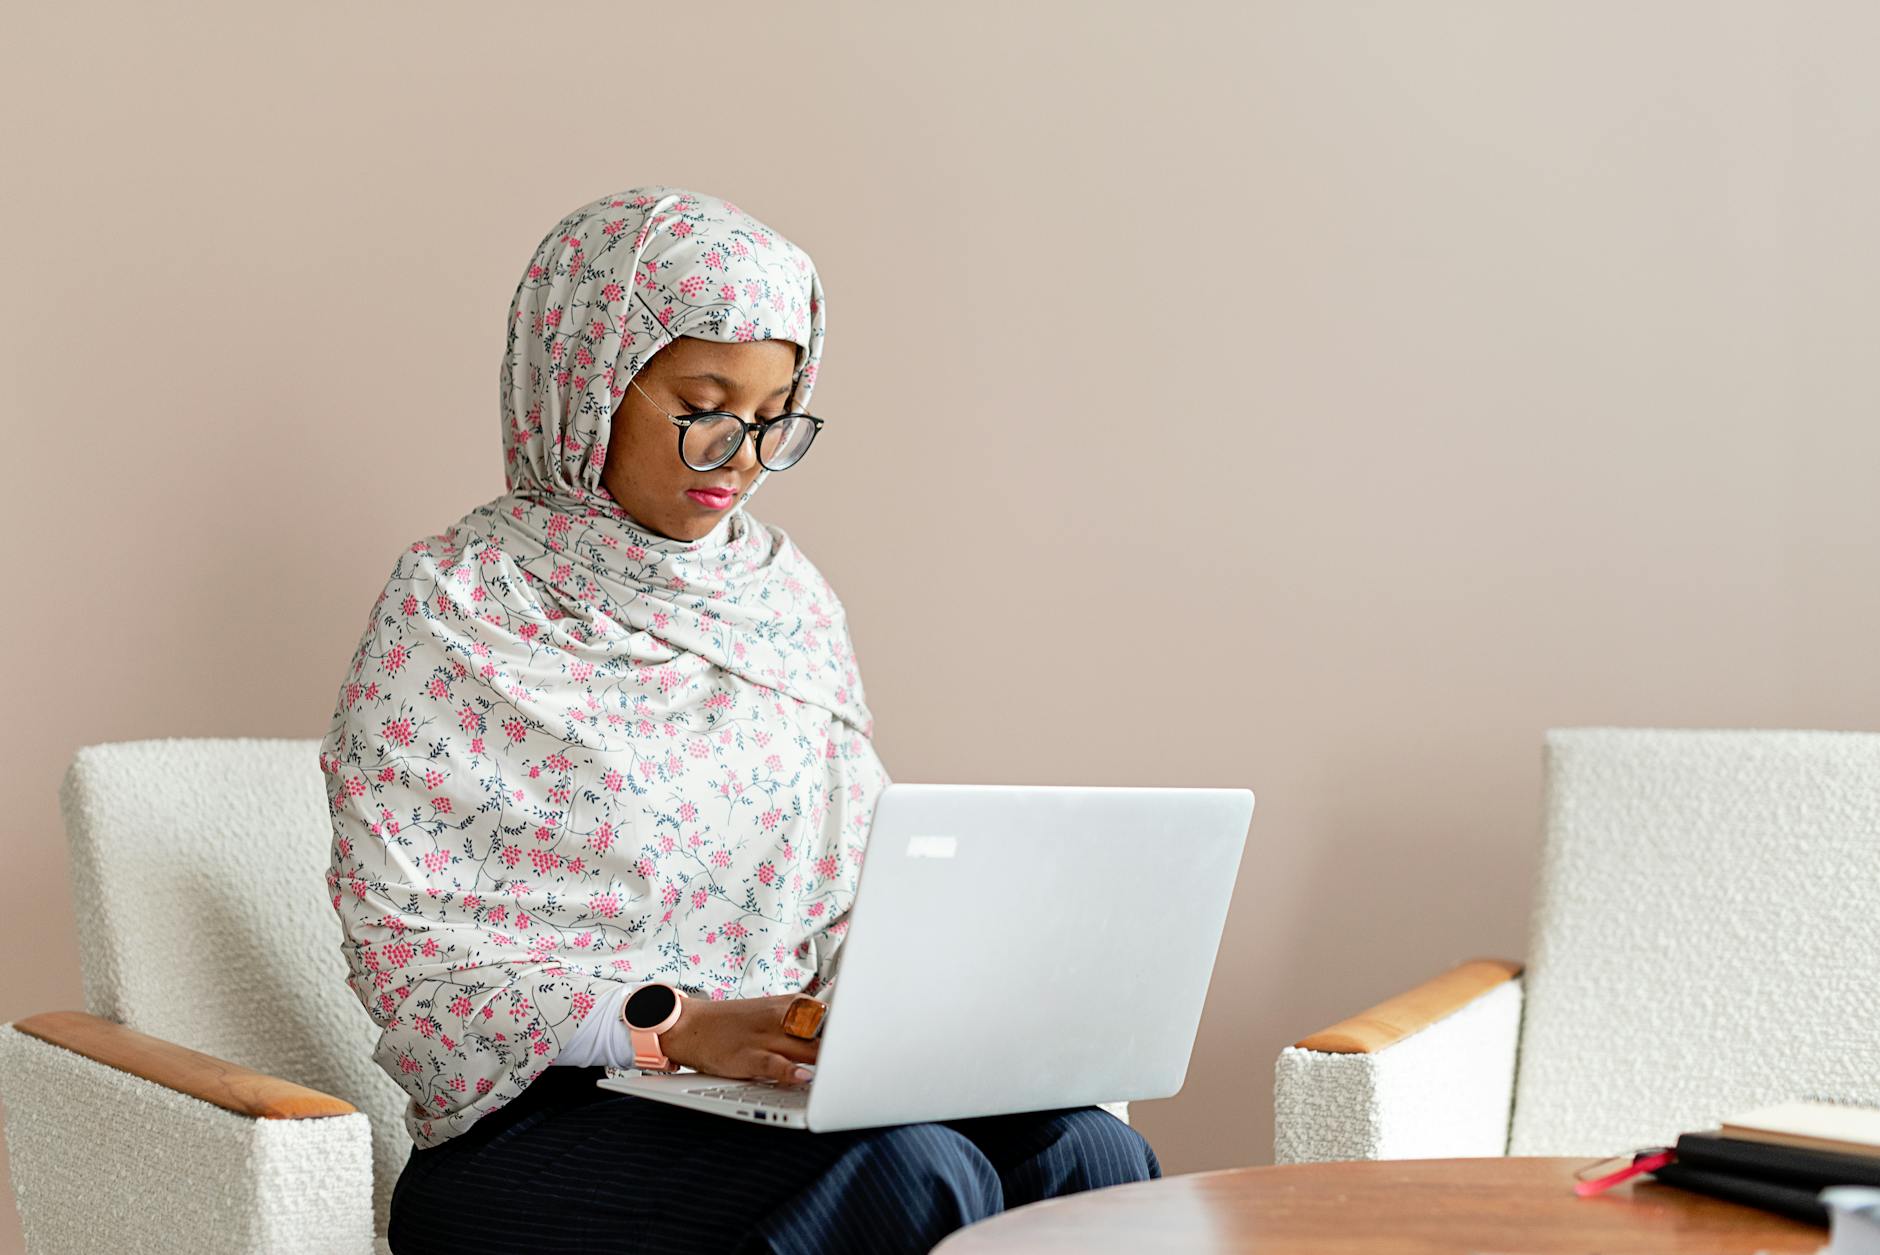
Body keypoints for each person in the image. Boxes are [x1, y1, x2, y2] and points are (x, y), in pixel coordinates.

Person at [319, 186, 1161, 1255]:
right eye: (704, 405)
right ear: (587, 382)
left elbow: (856, 885)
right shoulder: (457, 603)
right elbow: (412, 967)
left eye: (772, 416)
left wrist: (929, 1015)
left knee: (1090, 1158)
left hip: (775, 1096)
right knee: (910, 1177)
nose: (744, 456)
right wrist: (677, 1028)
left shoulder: (783, 598)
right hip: (531, 1128)